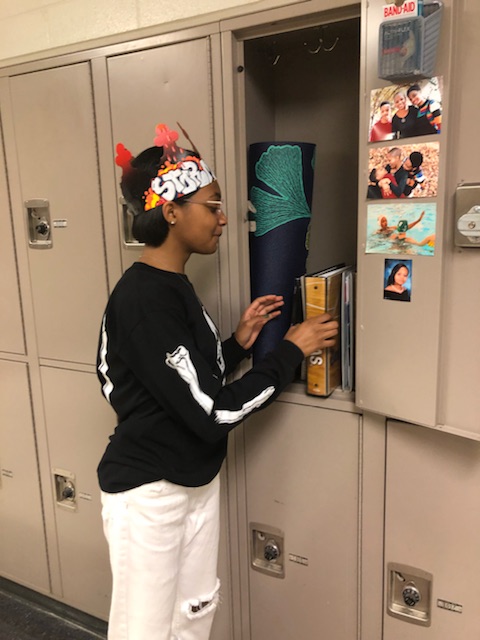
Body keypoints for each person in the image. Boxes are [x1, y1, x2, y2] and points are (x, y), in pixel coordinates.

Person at [96, 122, 339, 640]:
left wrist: (238, 344)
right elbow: (210, 415)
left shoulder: (172, 286)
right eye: (213, 205)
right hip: (150, 491)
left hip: (193, 481)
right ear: (171, 211)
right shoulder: (144, 298)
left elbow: (176, 383)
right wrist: (290, 352)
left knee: (194, 615)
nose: (225, 219)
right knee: (144, 630)